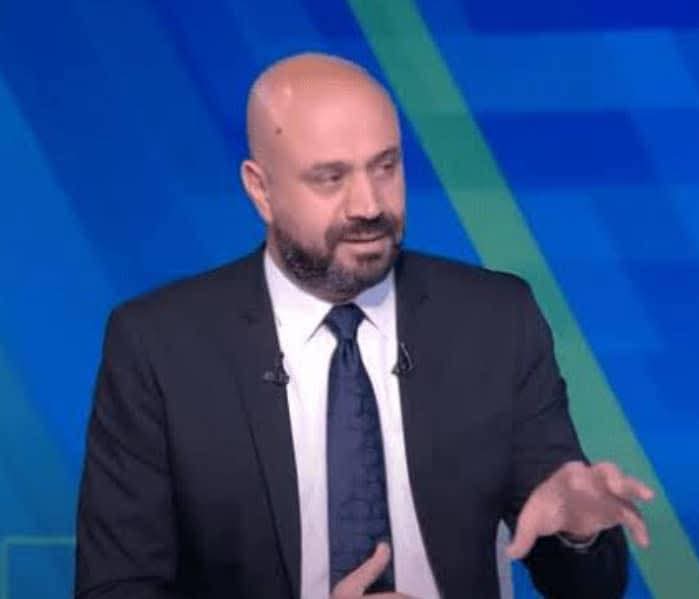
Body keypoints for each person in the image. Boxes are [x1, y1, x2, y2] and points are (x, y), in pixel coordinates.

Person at [75, 53, 654, 599]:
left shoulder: (495, 319)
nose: (369, 205)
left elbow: (587, 586)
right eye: (330, 178)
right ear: (261, 189)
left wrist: (579, 534)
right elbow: (115, 588)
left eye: (386, 166)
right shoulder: (159, 347)